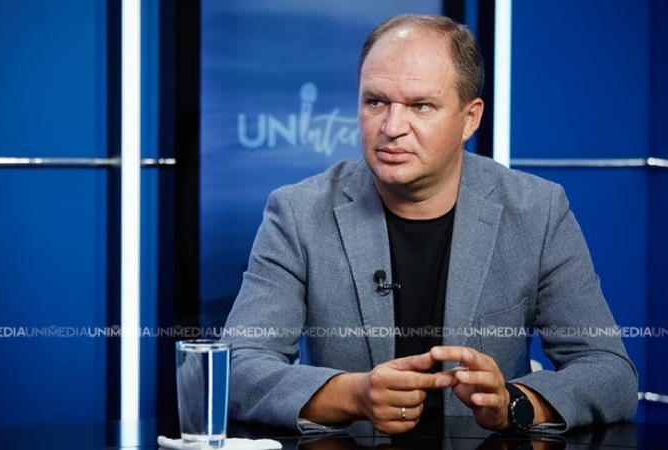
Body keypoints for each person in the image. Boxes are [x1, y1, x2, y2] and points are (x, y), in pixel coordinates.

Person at [222, 14, 637, 435]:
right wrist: (352, 395)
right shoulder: (298, 212)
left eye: (421, 106)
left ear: (470, 118)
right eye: (375, 102)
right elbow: (236, 366)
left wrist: (514, 404)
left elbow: (610, 372)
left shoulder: (537, 211)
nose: (392, 128)